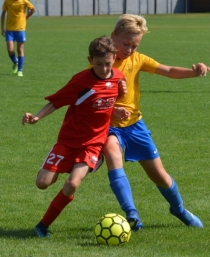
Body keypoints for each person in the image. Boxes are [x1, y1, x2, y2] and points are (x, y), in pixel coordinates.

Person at [101, 14, 210, 231]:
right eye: (126, 44)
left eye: (135, 45)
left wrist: (193, 72)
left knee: (159, 175)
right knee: (113, 155)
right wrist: (112, 109)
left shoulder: (137, 59)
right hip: (110, 126)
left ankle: (179, 209)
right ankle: (132, 215)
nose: (130, 50)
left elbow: (168, 70)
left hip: (135, 125)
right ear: (114, 36)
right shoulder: (101, 63)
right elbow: (89, 96)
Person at [22, 36, 130, 237]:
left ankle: (42, 226)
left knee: (72, 184)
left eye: (108, 63)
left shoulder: (117, 77)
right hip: (68, 141)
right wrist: (36, 116)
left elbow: (104, 103)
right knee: (42, 183)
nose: (104, 69)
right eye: (99, 64)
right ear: (90, 61)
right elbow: (56, 102)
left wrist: (117, 111)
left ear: (114, 58)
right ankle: (53, 168)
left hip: (93, 144)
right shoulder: (80, 81)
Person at [1, 0, 36, 77]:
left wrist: (26, 17)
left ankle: (20, 70)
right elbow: (3, 13)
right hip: (9, 29)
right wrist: (2, 28)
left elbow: (33, 9)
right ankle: (16, 62)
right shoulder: (7, 1)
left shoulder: (24, 1)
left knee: (20, 49)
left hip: (20, 29)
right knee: (10, 50)